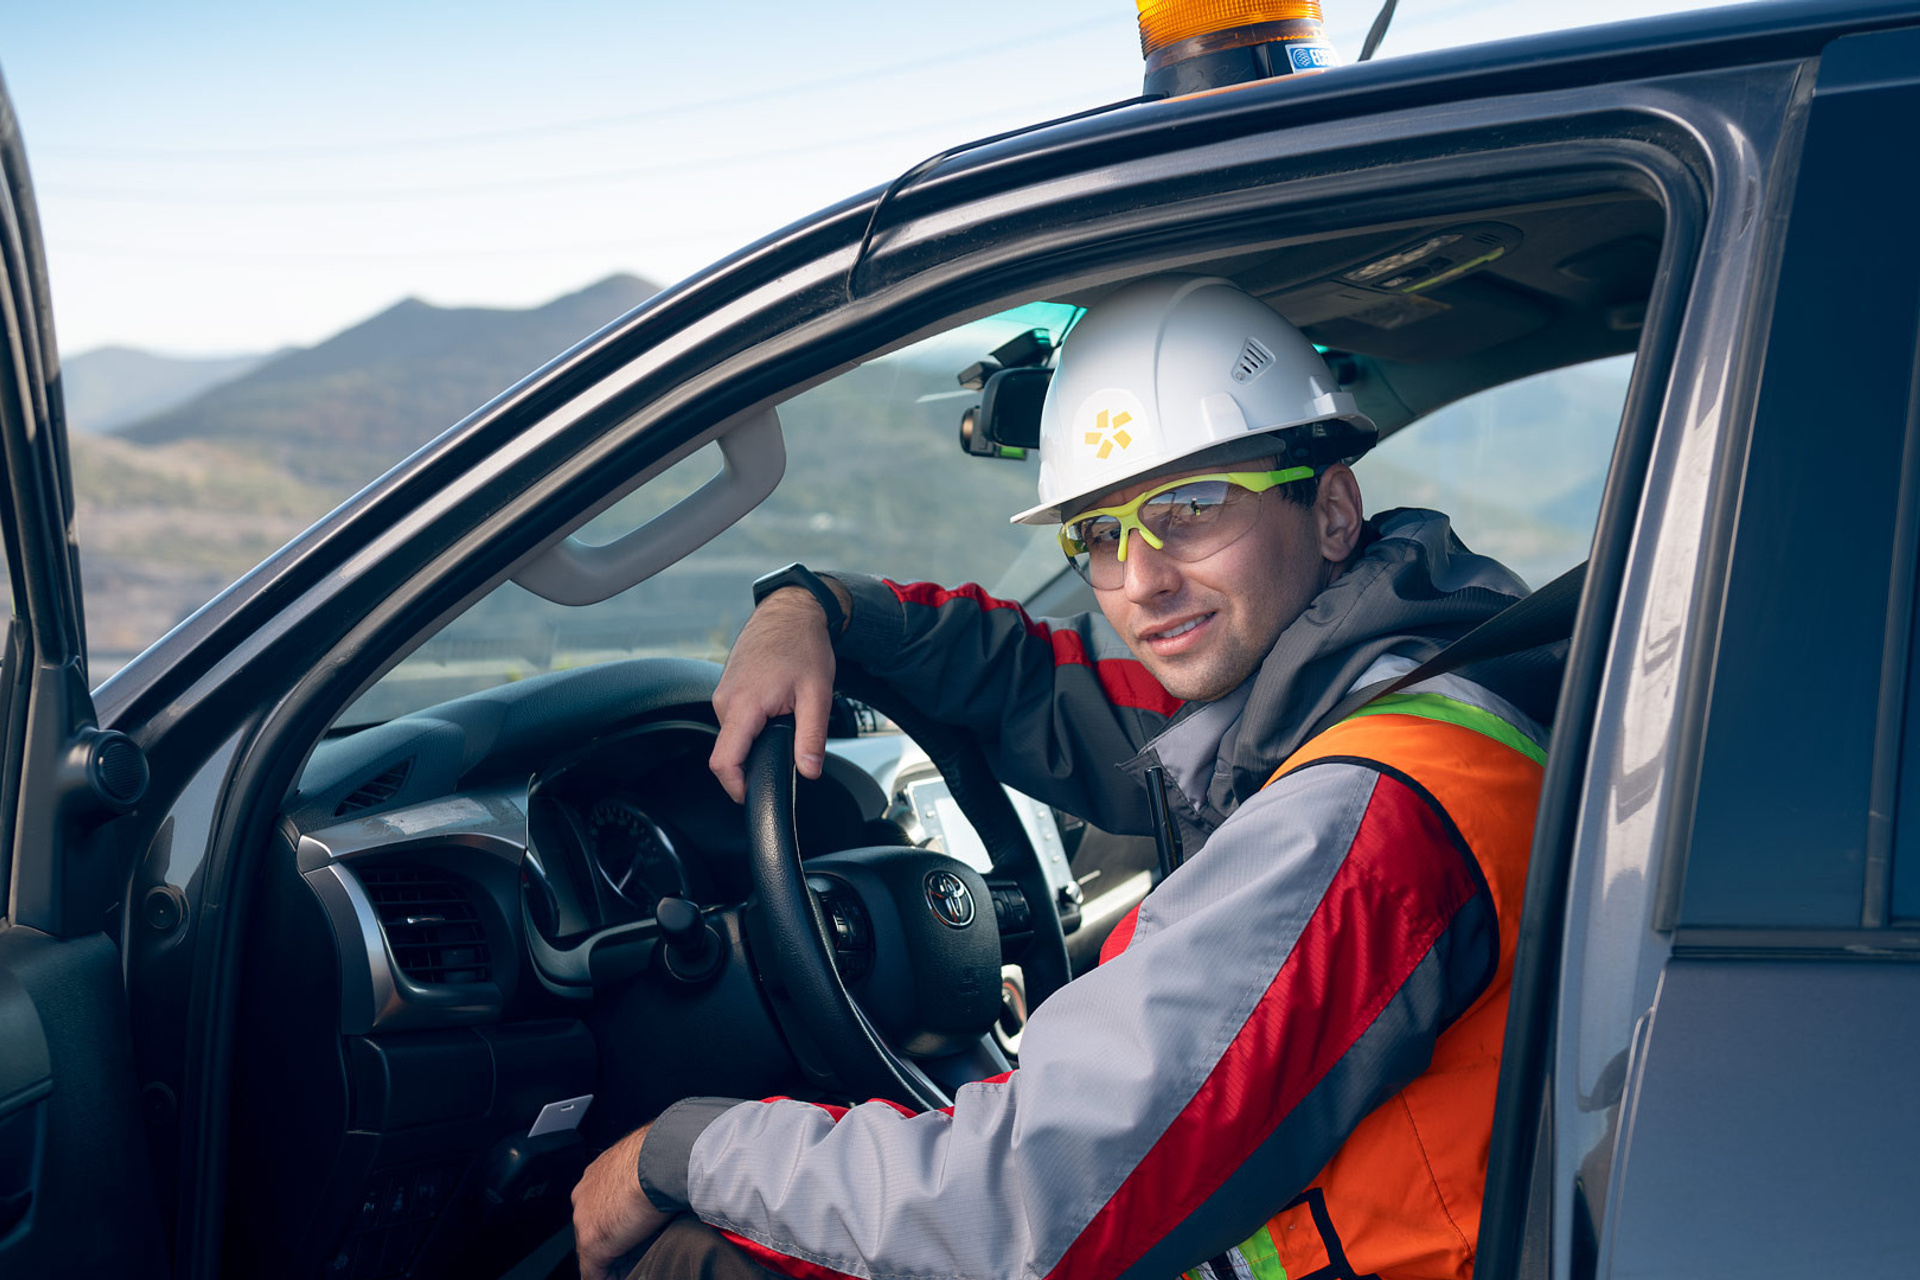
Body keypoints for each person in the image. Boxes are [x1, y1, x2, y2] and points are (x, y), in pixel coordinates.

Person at [572, 275, 1555, 1280]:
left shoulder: (1366, 808)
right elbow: (1033, 680)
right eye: (1099, 530)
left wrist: (681, 1149)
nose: (1142, 577)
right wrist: (817, 606)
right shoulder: (1379, 663)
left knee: (700, 1261)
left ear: (1334, 507)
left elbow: (1015, 1210)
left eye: (1189, 506)